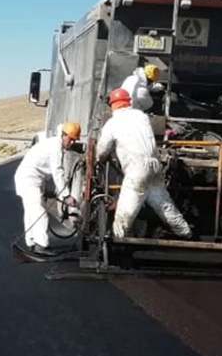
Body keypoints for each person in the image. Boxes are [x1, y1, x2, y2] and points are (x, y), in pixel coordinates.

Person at [96, 88, 191, 239]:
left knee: (126, 208)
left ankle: (117, 240)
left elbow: (102, 150)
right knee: (164, 205)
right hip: (154, 164)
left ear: (113, 105)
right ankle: (185, 233)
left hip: (137, 168)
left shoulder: (113, 123)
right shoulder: (141, 116)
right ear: (128, 102)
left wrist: (99, 159)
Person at [13, 121, 81, 253]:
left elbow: (44, 171)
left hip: (29, 179)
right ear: (63, 135)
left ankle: (31, 242)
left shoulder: (53, 144)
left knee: (31, 212)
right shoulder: (55, 148)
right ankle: (41, 245)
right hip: (29, 179)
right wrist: (66, 196)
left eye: (74, 140)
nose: (72, 143)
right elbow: (57, 172)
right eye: (70, 139)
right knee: (39, 212)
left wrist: (48, 191)